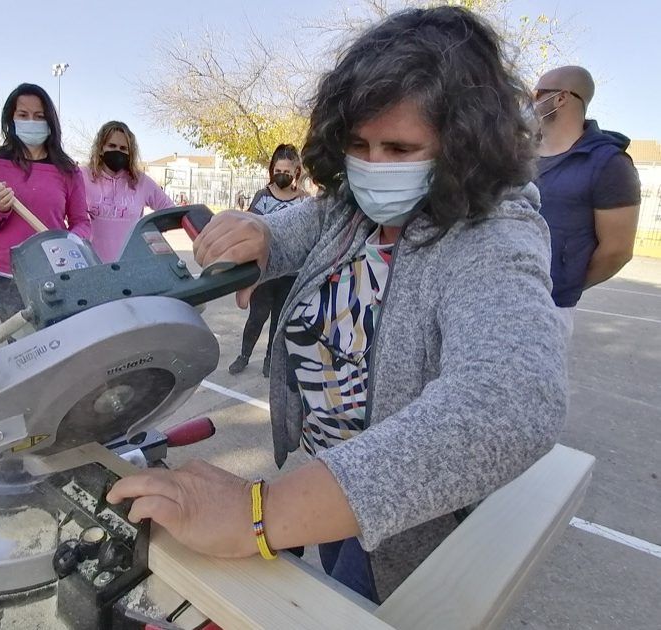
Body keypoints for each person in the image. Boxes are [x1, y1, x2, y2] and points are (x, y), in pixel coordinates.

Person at [107, 6, 566, 604]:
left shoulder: (492, 236)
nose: (374, 168)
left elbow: (511, 400)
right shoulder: (354, 208)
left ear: (464, 148)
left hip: (398, 518)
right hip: (320, 475)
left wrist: (260, 513)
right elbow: (313, 218)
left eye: (400, 149)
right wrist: (263, 234)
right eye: (358, 145)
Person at [0, 83, 91, 320]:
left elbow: (81, 221)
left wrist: (71, 242)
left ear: (50, 122)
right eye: (23, 115)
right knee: (24, 346)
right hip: (5, 277)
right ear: (11, 119)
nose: (31, 121)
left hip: (53, 275)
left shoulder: (67, 170)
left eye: (39, 116)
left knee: (57, 344)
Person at [533, 66, 641, 338]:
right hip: (493, 294)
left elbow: (616, 251)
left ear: (561, 98)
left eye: (537, 94)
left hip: (549, 307)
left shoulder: (609, 164)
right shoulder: (517, 154)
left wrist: (565, 286)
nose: (532, 103)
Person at [228, 144, 305, 376]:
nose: (282, 175)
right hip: (266, 270)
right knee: (258, 315)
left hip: (291, 273)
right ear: (272, 170)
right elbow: (252, 227)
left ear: (296, 173)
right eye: (278, 170)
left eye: (287, 171)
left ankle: (270, 359)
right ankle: (244, 355)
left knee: (278, 320)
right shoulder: (263, 197)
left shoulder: (304, 201)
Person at [81, 121, 174, 262]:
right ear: (101, 148)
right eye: (112, 146)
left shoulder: (141, 181)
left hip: (128, 264)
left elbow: (169, 210)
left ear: (130, 153)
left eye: (123, 148)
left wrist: (148, 232)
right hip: (90, 263)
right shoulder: (82, 176)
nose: (118, 151)